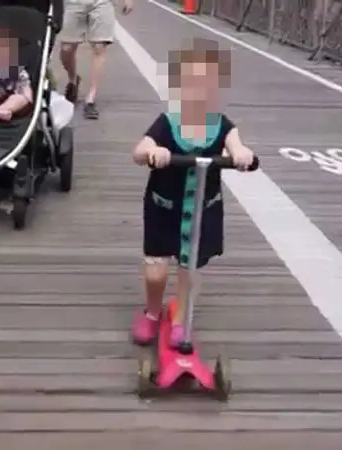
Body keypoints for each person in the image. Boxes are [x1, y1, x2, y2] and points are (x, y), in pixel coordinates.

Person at [129, 38, 256, 348]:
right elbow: (139, 149)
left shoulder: (223, 125)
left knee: (190, 268)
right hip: (165, 207)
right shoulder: (167, 123)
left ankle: (180, 316)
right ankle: (152, 310)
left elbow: (238, 146)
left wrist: (241, 155)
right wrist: (153, 152)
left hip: (203, 210)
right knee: (156, 270)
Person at [58, 0, 132, 120]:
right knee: (67, 48)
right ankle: (73, 80)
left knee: (99, 46)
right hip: (74, 2)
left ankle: (90, 99)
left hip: (103, 3)